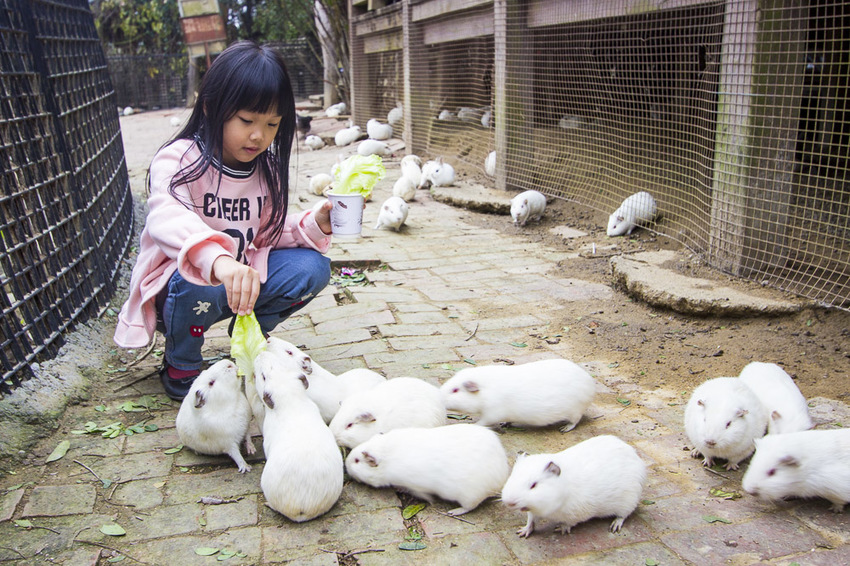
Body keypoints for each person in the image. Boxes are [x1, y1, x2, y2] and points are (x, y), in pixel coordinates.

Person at [113, 40, 333, 401]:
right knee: (199, 277)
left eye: (271, 124)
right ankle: (181, 362)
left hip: (238, 285)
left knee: (313, 268)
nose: (258, 135)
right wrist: (219, 261)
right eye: (247, 120)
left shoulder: (265, 171)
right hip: (182, 291)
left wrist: (316, 223)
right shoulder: (178, 160)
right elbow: (165, 218)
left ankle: (248, 342)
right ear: (212, 106)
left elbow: (265, 237)